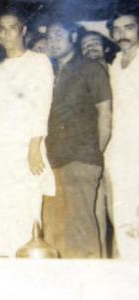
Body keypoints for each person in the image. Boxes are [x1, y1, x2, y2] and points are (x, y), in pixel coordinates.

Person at [0, 9, 55, 257]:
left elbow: (41, 104)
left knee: (25, 211)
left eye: (12, 27)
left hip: (25, 151)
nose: (6, 33)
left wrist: (34, 147)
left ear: (23, 30)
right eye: (1, 28)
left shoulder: (38, 61)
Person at [44, 20, 112, 258]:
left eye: (58, 35)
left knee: (80, 228)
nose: (53, 41)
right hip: (53, 161)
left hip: (81, 158)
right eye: (49, 37)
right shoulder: (49, 71)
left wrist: (94, 152)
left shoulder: (90, 67)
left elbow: (105, 112)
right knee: (55, 228)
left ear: (73, 36)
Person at [104, 11, 139, 259]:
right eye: (116, 30)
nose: (122, 34)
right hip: (118, 147)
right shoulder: (115, 62)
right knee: (122, 214)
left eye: (129, 28)